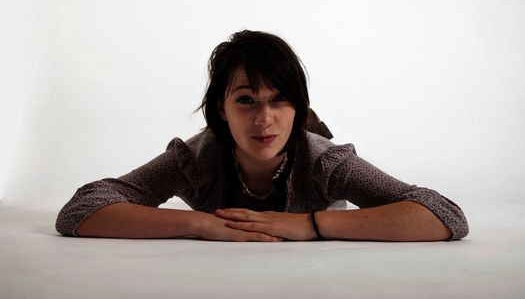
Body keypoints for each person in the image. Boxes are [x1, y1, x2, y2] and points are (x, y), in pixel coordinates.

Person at [56, 30, 469, 241]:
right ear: (221, 108)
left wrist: (309, 225)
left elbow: (445, 215)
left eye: (279, 101)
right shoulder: (195, 158)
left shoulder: (325, 161)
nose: (264, 120)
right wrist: (203, 225)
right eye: (247, 101)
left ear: (297, 106)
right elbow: (81, 210)